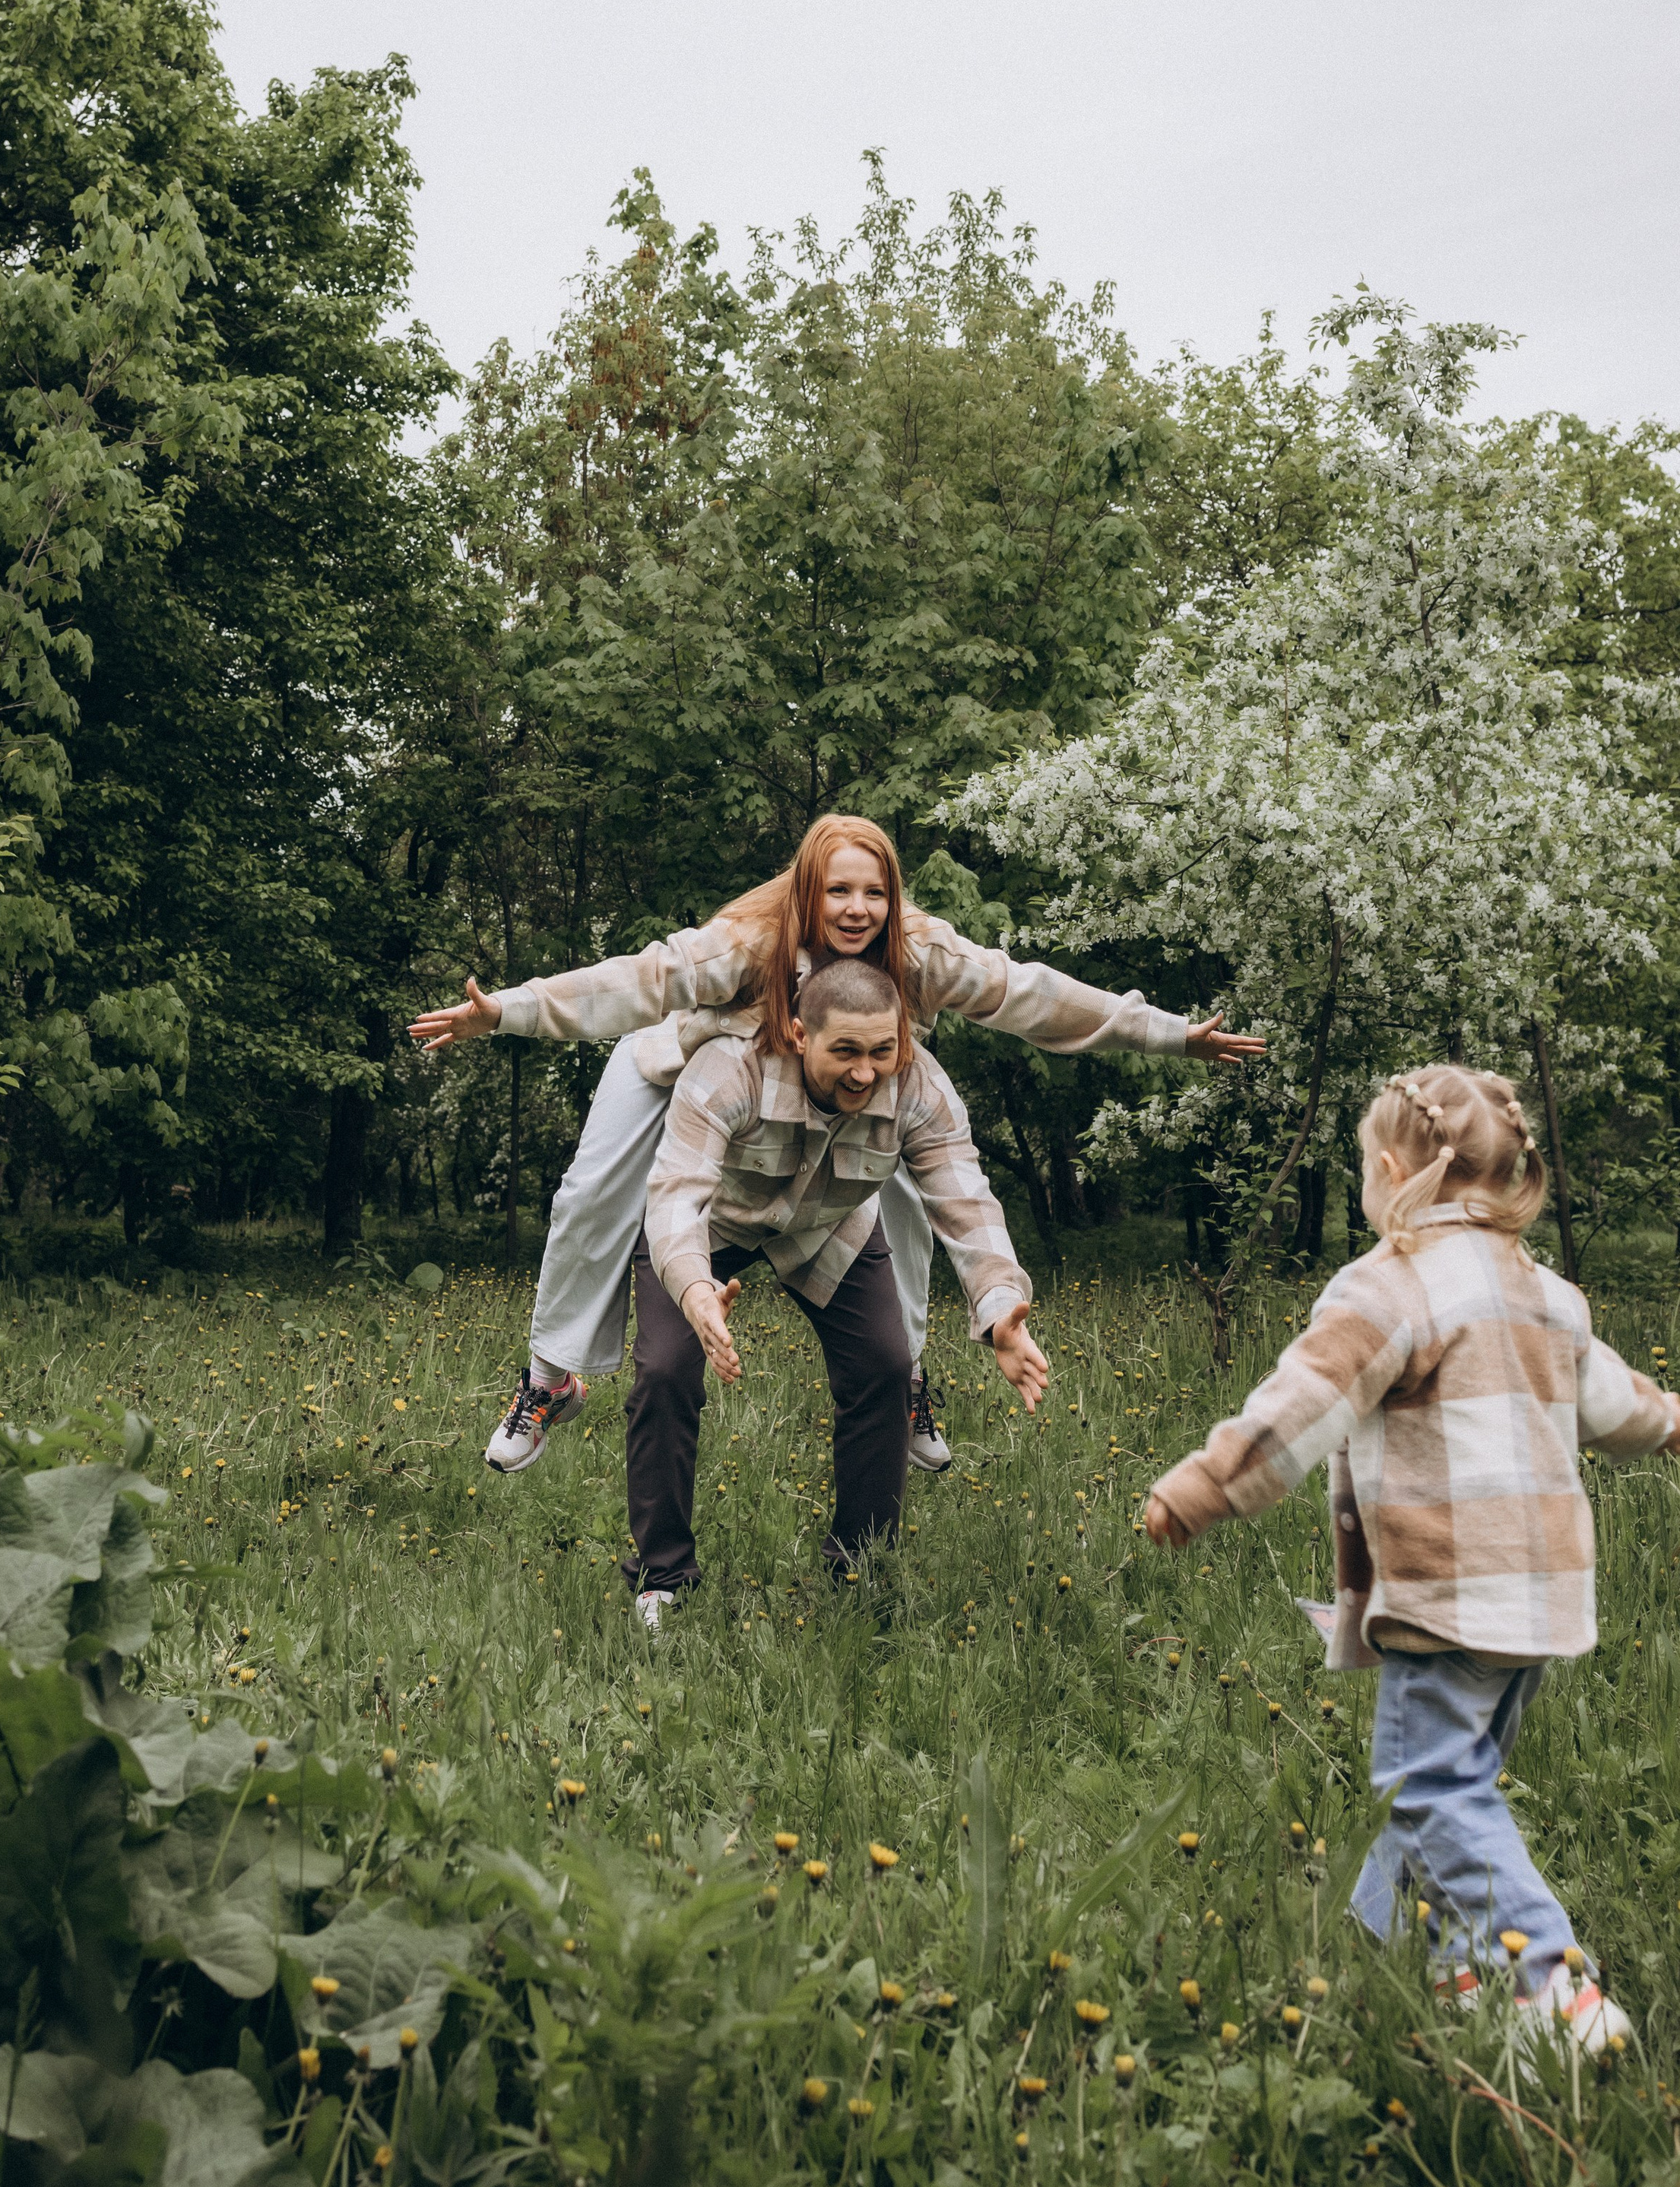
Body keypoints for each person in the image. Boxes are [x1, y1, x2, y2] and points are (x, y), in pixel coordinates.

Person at [407, 812, 1261, 1475]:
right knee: (592, 1191)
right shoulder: (751, 943)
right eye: (838, 892)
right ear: (808, 892)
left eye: (874, 893)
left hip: (847, 1084)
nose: (857, 910)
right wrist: (507, 1010)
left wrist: (1168, 1035)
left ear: (894, 898)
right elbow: (640, 980)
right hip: (688, 1070)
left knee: (908, 1196)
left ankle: (908, 1384)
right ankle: (549, 1380)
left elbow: (1034, 997)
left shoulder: (920, 954)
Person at [1145, 1063, 1678, 2056]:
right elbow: (1620, 1409)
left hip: (1448, 1594)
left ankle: (1553, 1990)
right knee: (1441, 1789)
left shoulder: (1389, 1286)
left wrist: (1205, 1487)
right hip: (1544, 1602)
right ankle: (1402, 1966)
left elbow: (1299, 1408)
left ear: (1393, 1169)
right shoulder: (1549, 1295)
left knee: (1431, 1790)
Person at [626, 954, 1049, 1625]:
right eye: (845, 1051)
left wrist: (1000, 1308)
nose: (865, 1071)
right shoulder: (727, 1070)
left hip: (830, 1228)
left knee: (886, 1364)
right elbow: (677, 1197)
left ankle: (861, 1568)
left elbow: (966, 1201)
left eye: (882, 1051)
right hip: (711, 1230)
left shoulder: (918, 1088)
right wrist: (696, 1292)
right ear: (799, 1035)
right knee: (665, 1369)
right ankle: (662, 1579)